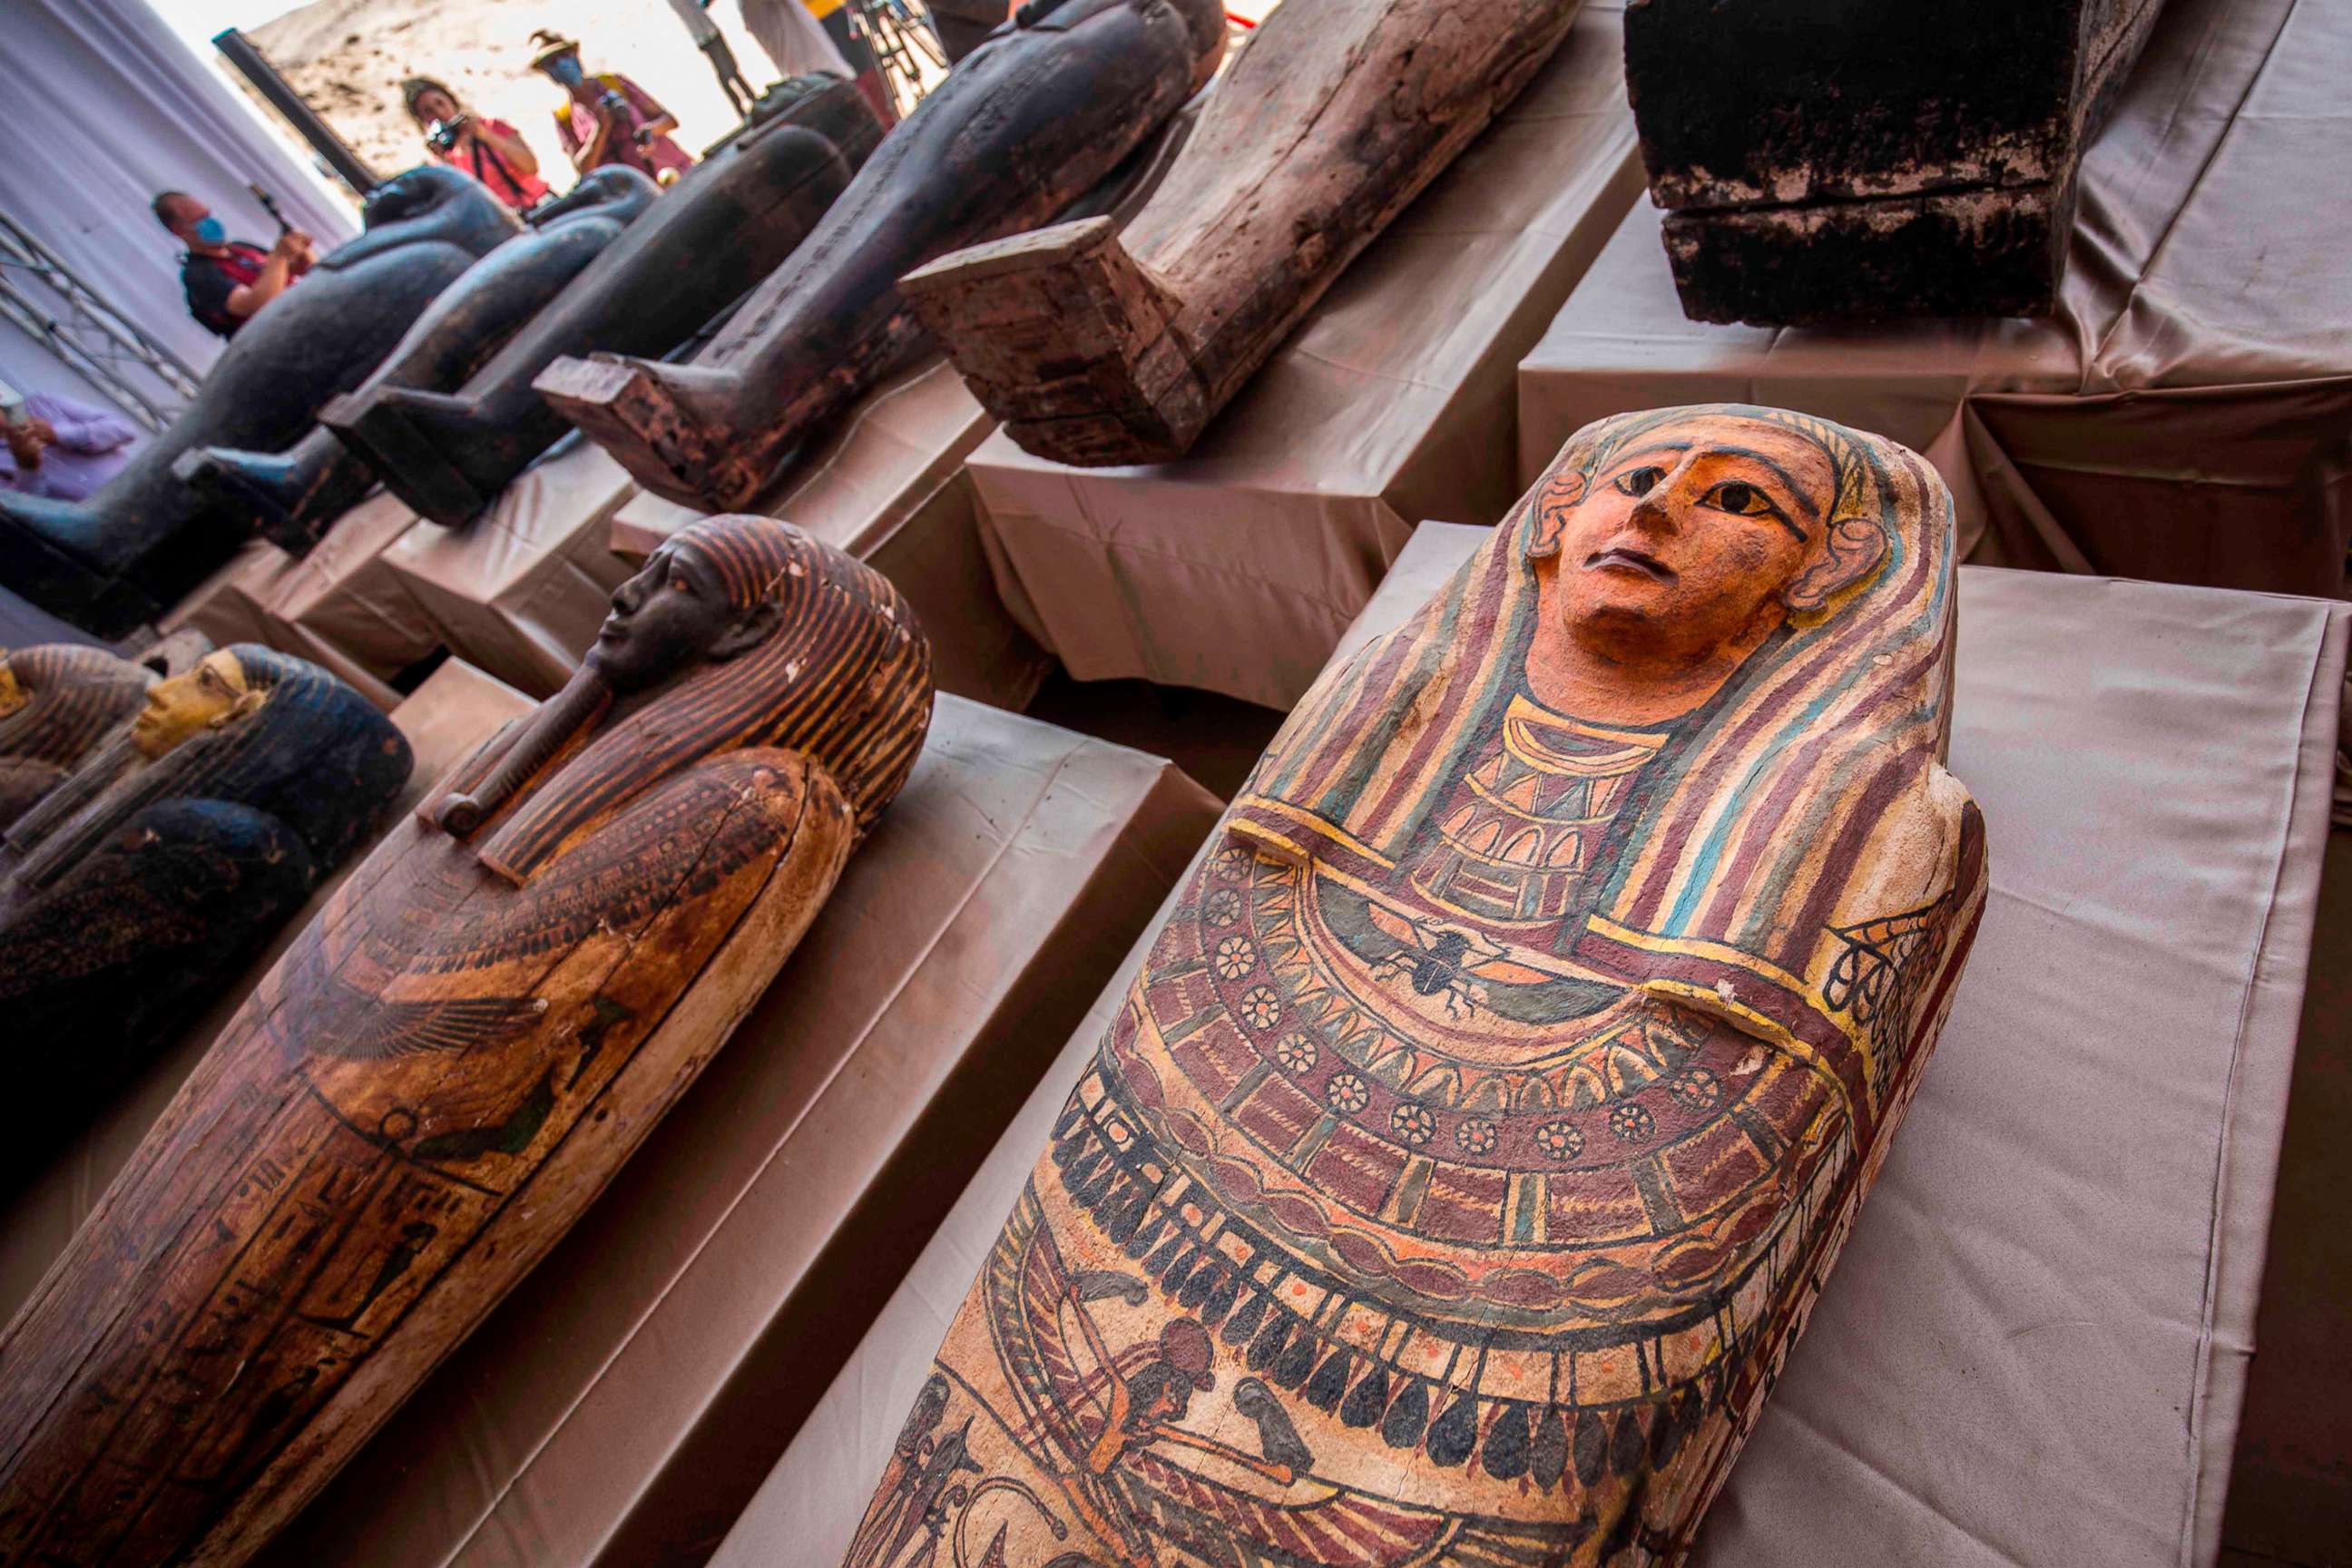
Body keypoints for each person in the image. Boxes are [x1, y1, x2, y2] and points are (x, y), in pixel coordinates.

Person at [529, 32, 695, 184]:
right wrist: (600, 130)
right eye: (551, 63)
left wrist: (650, 131)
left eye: (564, 56)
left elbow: (669, 120)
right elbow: (583, 169)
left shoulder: (613, 83)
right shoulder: (565, 116)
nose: (561, 65)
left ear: (575, 55)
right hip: (635, 192)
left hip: (673, 173)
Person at [152, 191, 313, 339]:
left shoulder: (240, 247)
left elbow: (290, 271)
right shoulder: (198, 274)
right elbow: (256, 304)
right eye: (200, 221)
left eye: (208, 215)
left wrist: (298, 250)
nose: (211, 222)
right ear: (179, 231)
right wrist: (280, 257)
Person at [402, 76, 551, 213]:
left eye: (440, 103)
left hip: (538, 204)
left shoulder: (492, 127)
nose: (440, 112)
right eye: (429, 111)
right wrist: (445, 163)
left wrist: (487, 136)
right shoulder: (441, 160)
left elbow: (531, 166)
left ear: (451, 101)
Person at [0, 388, 140, 502]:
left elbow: (125, 429)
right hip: (112, 525)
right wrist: (28, 467)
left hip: (142, 486)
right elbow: (25, 510)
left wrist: (58, 434)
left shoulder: (41, 403)